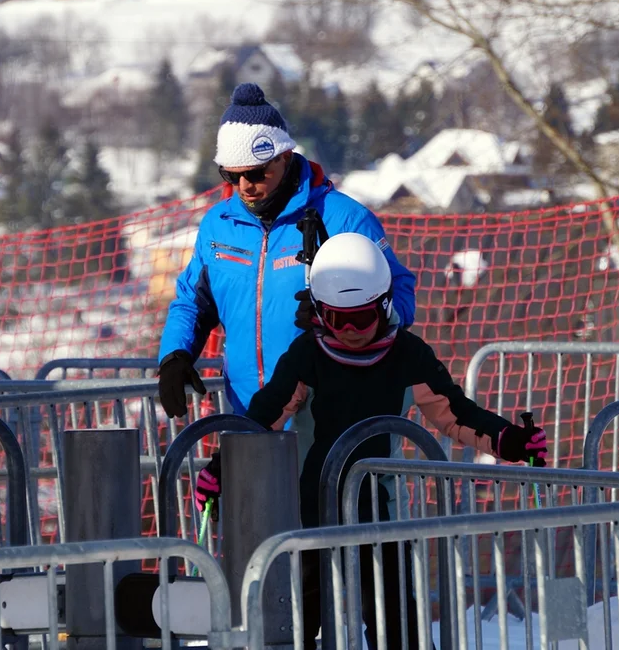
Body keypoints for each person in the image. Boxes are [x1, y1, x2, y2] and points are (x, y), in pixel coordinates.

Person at [191, 232, 549, 649]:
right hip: (311, 510)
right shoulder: (308, 353)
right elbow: (263, 416)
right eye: (335, 317)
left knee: (394, 619)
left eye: (360, 318)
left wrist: (510, 440)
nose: (349, 330)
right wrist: (222, 468)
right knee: (296, 621)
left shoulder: (407, 355)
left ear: (383, 305)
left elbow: (455, 414)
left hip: (379, 511)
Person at [157, 82, 417, 421]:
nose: (245, 187)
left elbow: (401, 298)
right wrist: (174, 356)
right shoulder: (216, 225)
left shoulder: (344, 219)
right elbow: (192, 302)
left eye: (257, 173)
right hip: (252, 418)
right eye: (232, 176)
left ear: (283, 157)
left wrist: (343, 316)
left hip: (332, 419)